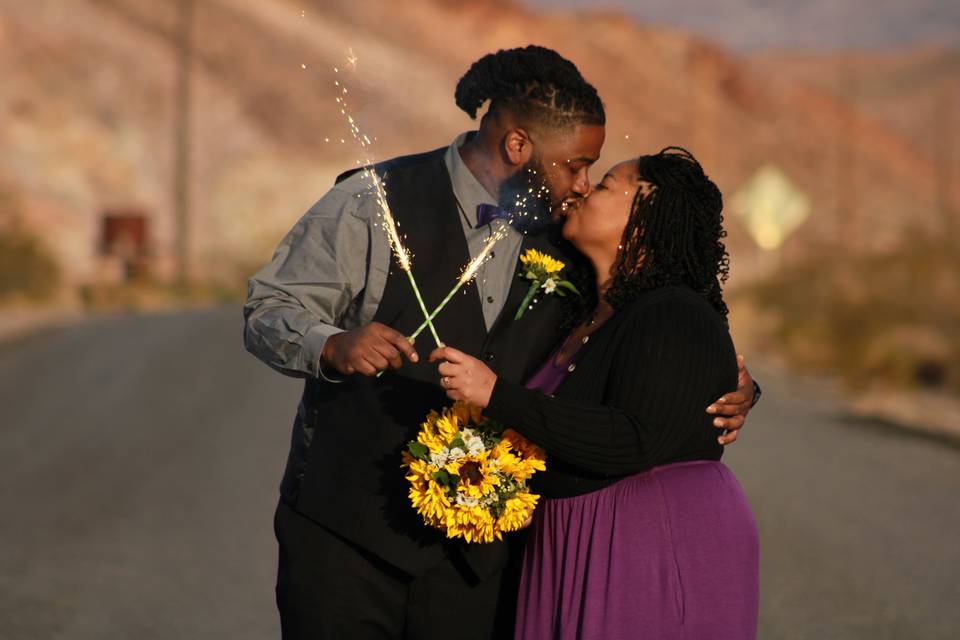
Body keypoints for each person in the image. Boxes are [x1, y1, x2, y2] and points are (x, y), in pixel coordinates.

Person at [244, 45, 756, 640]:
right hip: (347, 536)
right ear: (519, 147)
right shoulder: (371, 203)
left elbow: (654, 337)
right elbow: (270, 307)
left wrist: (734, 386)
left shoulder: (574, 239)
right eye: (576, 166)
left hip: (484, 562)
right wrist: (331, 345)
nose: (584, 186)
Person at [430, 148, 760, 639]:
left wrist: (496, 395)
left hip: (649, 549)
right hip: (573, 544)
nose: (582, 188)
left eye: (605, 184)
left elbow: (634, 437)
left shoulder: (673, 311)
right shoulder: (580, 309)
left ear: (647, 215)